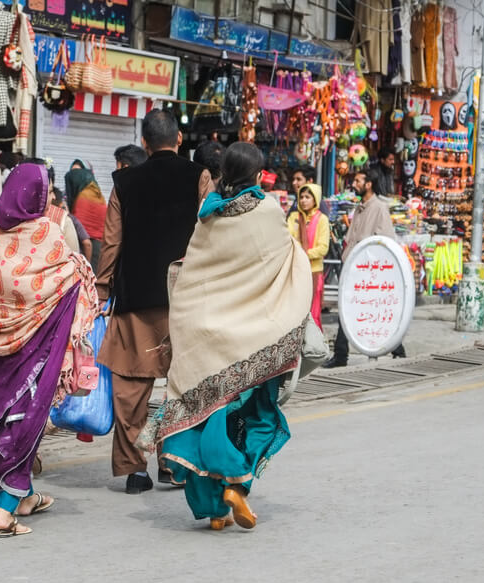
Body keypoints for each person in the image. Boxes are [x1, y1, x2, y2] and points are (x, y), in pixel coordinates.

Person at [138, 141, 312, 530]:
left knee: (203, 416)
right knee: (254, 414)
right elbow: (287, 261)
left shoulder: (207, 216)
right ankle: (238, 483)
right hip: (250, 339)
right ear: (258, 175)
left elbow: (192, 277)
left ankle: (215, 510)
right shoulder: (267, 211)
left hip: (205, 337)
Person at [0, 162, 99, 537]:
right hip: (35, 352)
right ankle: (4, 511)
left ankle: (24, 498)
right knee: (26, 423)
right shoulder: (46, 232)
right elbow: (67, 278)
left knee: (5, 420)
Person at [96, 109, 213, 494]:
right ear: (179, 139)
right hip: (185, 298)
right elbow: (210, 235)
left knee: (131, 388)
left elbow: (112, 243)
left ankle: (135, 471)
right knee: (179, 384)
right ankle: (172, 464)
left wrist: (101, 289)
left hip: (135, 299)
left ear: (144, 143)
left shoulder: (124, 182)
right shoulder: (198, 177)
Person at [323, 167, 406, 368]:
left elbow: (385, 240)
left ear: (369, 184)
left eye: (359, 181)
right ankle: (341, 354)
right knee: (348, 308)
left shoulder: (378, 208)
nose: (354, 184)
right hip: (352, 265)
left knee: (372, 310)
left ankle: (397, 349)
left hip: (368, 271)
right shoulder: (360, 207)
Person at [287, 183, 330, 328]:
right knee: (293, 312)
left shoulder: (322, 219)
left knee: (313, 312)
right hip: (295, 271)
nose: (303, 200)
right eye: (301, 197)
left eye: (307, 197)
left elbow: (323, 248)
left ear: (315, 199)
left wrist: (302, 254)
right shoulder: (293, 217)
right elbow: (288, 240)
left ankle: (313, 347)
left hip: (313, 272)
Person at [64, 159, 107, 269]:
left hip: (86, 245)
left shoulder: (83, 197)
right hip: (99, 244)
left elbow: (78, 229)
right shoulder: (95, 192)